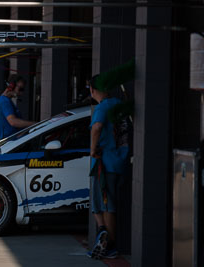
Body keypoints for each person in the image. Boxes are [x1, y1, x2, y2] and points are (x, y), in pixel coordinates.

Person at [87, 75, 129, 260]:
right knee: (102, 203)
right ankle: (103, 234)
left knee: (106, 205)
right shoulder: (118, 104)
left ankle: (109, 243)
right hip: (119, 160)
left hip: (105, 163)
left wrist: (92, 149)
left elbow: (96, 128)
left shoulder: (103, 107)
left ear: (92, 90)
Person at [0, 75, 35, 139]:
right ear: (11, 86)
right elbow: (13, 122)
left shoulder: (5, 100)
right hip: (11, 142)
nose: (21, 93)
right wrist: (34, 124)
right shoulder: (5, 102)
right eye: (20, 89)